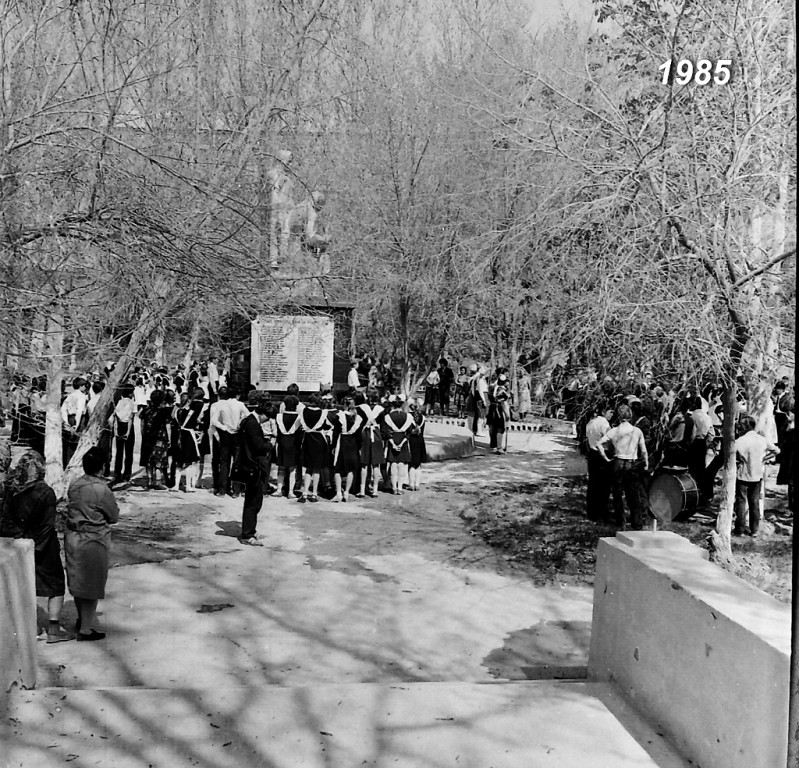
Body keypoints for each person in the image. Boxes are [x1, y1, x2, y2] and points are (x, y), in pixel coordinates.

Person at [2, 451, 74, 643]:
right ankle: (53, 628)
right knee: (56, 585)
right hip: (43, 546)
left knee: (24, 585)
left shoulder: (12, 491)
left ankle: (30, 626)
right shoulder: (46, 492)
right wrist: (35, 547)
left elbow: (6, 521)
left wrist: (21, 540)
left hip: (18, 544)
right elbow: (47, 525)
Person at [63, 446, 119, 640]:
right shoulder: (101, 490)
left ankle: (82, 619)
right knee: (92, 585)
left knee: (78, 581)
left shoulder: (75, 484)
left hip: (73, 537)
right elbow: (113, 516)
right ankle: (86, 628)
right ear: (102, 467)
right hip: (94, 540)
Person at [596, 404, 650, 530]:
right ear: (630, 416)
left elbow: (599, 444)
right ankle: (637, 523)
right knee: (633, 494)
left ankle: (621, 522)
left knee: (617, 493)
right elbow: (643, 450)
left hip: (618, 461)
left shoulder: (614, 431)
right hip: (631, 462)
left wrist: (606, 457)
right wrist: (646, 463)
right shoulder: (637, 431)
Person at [237, 391, 273, 546]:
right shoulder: (252, 424)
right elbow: (258, 446)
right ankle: (247, 534)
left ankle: (250, 529)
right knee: (253, 500)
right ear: (263, 413)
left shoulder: (248, 421)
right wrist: (269, 444)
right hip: (254, 464)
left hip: (249, 463)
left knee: (253, 499)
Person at [734, 416, 779, 537]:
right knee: (754, 502)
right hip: (757, 474)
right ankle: (754, 529)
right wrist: (765, 458)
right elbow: (777, 450)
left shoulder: (739, 441)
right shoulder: (762, 440)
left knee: (741, 502)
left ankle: (740, 529)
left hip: (743, 473)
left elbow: (732, 456)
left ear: (745, 427)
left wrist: (740, 460)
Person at [209, 386, 249, 497]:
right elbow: (248, 416)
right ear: (238, 395)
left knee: (224, 462)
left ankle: (222, 489)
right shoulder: (240, 405)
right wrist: (240, 424)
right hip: (236, 433)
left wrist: (224, 428)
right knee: (237, 462)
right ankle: (236, 490)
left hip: (226, 433)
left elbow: (213, 420)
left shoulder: (222, 405)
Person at [298, 393, 331, 503]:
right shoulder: (323, 413)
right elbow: (328, 425)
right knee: (317, 468)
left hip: (307, 440)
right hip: (319, 440)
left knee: (308, 468)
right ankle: (314, 493)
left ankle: (305, 493)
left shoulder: (303, 411)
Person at [585, 401, 613, 523]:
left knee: (593, 483)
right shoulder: (604, 423)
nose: (612, 414)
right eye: (610, 412)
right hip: (602, 454)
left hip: (592, 454)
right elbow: (610, 438)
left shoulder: (590, 423)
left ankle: (591, 512)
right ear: (603, 412)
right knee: (603, 486)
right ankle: (602, 513)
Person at [138, 389, 172, 490]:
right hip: (160, 438)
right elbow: (167, 426)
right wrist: (169, 439)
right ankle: (158, 482)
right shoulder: (164, 411)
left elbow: (142, 425)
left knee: (149, 460)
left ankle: (149, 480)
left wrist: (144, 435)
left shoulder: (146, 410)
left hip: (148, 438)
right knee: (159, 461)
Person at [332, 397, 362, 502]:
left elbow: (335, 433)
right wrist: (359, 447)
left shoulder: (339, 416)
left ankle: (338, 493)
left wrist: (333, 445)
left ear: (343, 404)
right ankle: (347, 493)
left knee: (338, 468)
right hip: (353, 443)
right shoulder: (357, 418)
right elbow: (359, 436)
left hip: (342, 441)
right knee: (350, 469)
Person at [382, 395, 414, 494]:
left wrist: (393, 444)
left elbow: (386, 432)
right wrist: (401, 443)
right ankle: (400, 488)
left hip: (392, 441)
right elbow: (409, 433)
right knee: (401, 465)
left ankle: (394, 487)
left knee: (393, 464)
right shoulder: (408, 417)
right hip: (403, 441)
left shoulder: (387, 417)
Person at [356, 390, 385, 497]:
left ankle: (362, 490)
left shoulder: (361, 408)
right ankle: (375, 490)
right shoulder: (381, 410)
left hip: (365, 434)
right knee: (376, 464)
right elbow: (383, 426)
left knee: (364, 464)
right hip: (376, 435)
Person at [275, 394, 303, 498]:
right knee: (292, 469)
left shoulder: (279, 416)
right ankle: (290, 492)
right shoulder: (299, 418)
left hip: (282, 444)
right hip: (294, 445)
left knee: (281, 468)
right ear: (296, 406)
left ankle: (279, 490)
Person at [61, 377, 89, 468]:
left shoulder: (70, 395)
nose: (85, 388)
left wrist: (65, 422)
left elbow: (63, 409)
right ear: (81, 386)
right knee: (76, 444)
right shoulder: (81, 396)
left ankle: (66, 464)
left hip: (69, 419)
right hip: (78, 420)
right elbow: (79, 412)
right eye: (84, 386)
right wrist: (76, 425)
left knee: (68, 444)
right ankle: (72, 466)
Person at [487, 373, 511, 453]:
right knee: (500, 428)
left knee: (492, 427)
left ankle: (493, 445)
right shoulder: (501, 390)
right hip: (498, 409)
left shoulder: (491, 387)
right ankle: (499, 447)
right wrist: (507, 414)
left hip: (491, 408)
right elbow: (503, 403)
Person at [407, 399, 427, 491]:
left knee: (411, 463)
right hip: (420, 440)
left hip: (411, 440)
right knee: (418, 464)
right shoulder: (423, 417)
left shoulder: (408, 417)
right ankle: (417, 484)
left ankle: (411, 484)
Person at [467, 365, 489, 436]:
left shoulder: (474, 378)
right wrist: (484, 401)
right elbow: (481, 391)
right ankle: (479, 431)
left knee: (477, 415)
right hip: (480, 398)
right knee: (481, 415)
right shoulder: (480, 380)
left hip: (475, 397)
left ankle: (475, 429)